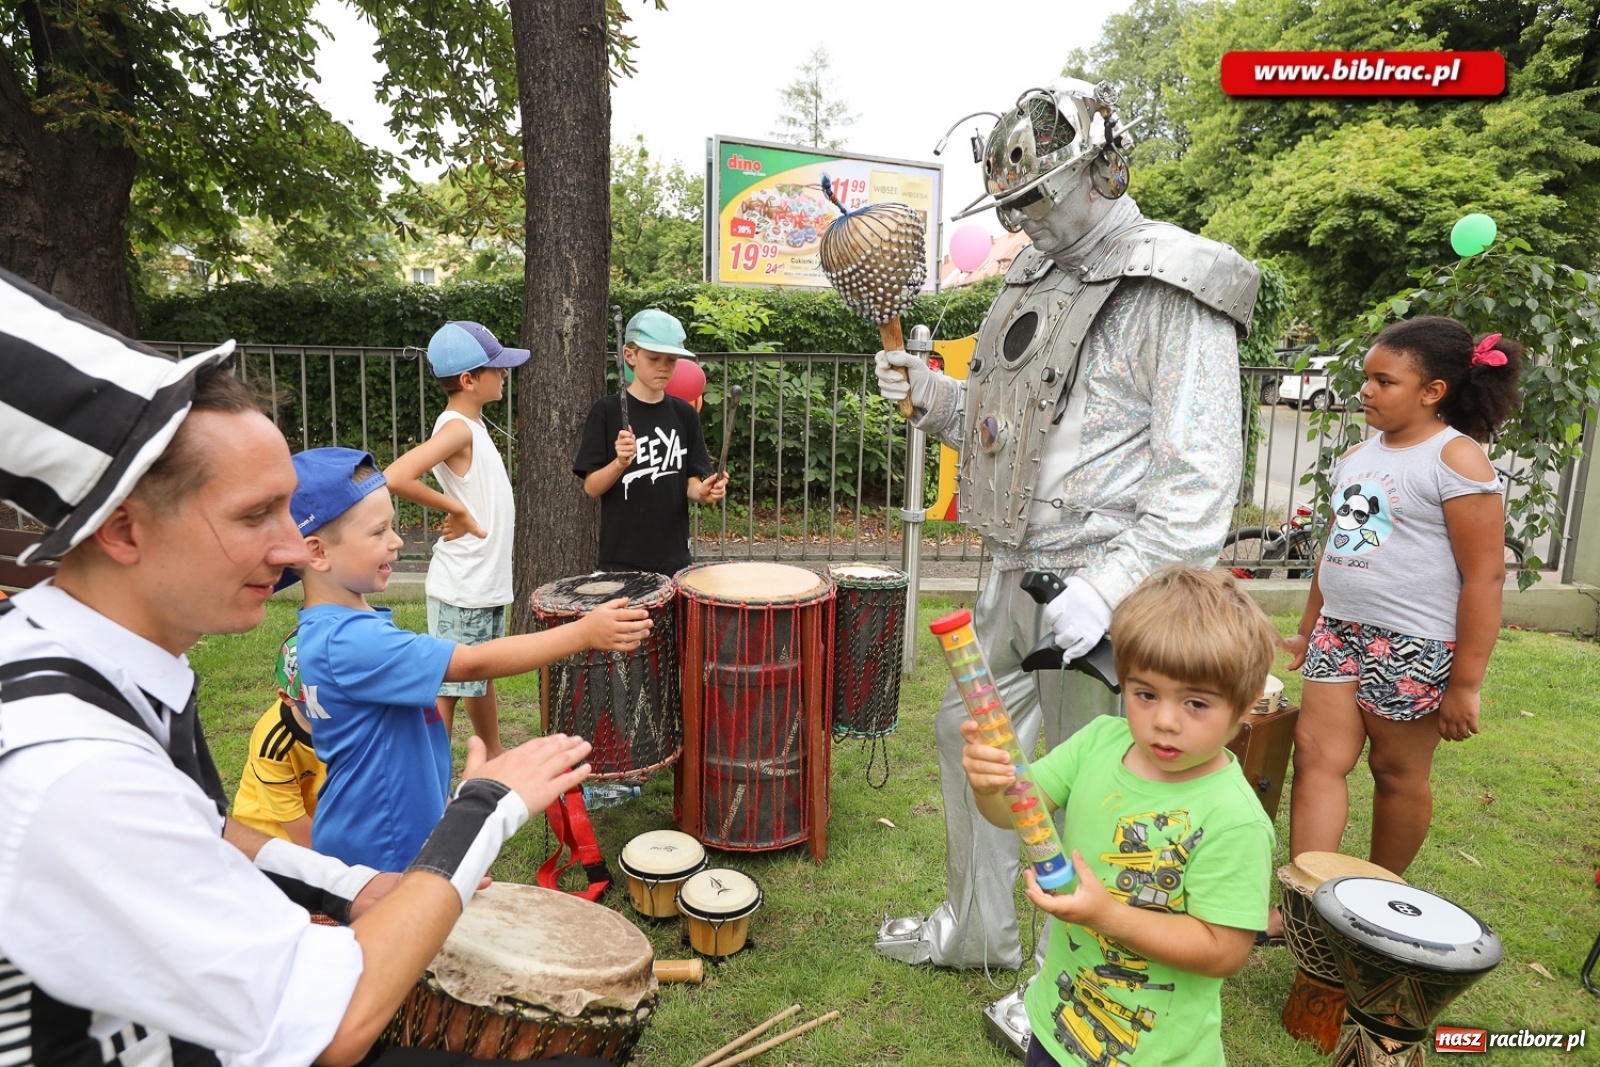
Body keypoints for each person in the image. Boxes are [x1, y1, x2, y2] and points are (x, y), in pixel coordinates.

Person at [0, 266, 619, 1066]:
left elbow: (201, 831)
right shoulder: (69, 771)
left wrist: (347, 885)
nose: (296, 549)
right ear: (122, 531)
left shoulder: (94, 664)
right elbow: (331, 1019)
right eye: (255, 514)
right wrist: (485, 806)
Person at [872, 78, 1259, 1051]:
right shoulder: (1029, 276)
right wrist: (931, 394)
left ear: (1104, 169)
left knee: (1098, 792)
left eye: (1033, 195)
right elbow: (999, 423)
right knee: (973, 746)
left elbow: (1198, 478)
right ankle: (976, 928)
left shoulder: (1178, 280)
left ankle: (1062, 978)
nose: (1016, 218)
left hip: (1100, 590)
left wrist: (1110, 591)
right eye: (1007, 202)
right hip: (1008, 567)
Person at [960, 566, 1276, 1067]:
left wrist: (1108, 917)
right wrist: (989, 786)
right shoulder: (1098, 743)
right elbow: (1016, 812)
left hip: (1157, 1055)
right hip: (1056, 1024)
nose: (1165, 721)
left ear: (1246, 703)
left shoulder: (1234, 818)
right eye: (1145, 694)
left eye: (1196, 703)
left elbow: (1224, 950)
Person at [291, 446, 651, 871]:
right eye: (378, 532)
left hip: (384, 826)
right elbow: (474, 663)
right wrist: (584, 632)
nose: (397, 540)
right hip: (382, 848)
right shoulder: (350, 641)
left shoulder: (336, 627)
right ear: (317, 553)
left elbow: (387, 742)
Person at [1279, 316, 1520, 897]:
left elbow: (1484, 577)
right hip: (1341, 631)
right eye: (1367, 378)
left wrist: (1465, 684)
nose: (1366, 390)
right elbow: (1337, 547)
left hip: (1415, 641)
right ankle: (1311, 900)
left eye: (1383, 381)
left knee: (1396, 773)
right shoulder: (1359, 456)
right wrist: (1310, 627)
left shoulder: (1455, 459)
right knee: (1316, 760)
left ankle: (1375, 903)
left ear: (1432, 391)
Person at [384, 320, 529, 759]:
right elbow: (395, 476)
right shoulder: (458, 429)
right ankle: (428, 783)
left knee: (477, 673)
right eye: (496, 368)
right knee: (447, 686)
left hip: (479, 581)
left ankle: (495, 754)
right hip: (463, 585)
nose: (504, 374)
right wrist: (457, 510)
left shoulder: (471, 425)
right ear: (468, 380)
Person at [573, 308, 727, 576]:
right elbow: (592, 487)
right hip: (621, 560)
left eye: (671, 360)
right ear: (629, 356)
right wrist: (619, 463)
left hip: (674, 558)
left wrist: (704, 492)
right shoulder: (607, 411)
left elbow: (690, 484)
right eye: (654, 358)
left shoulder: (685, 414)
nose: (664, 367)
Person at [229, 628, 326, 846]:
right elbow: (299, 832)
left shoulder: (356, 720)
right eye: (321, 706)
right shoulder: (273, 746)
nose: (338, 714)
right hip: (273, 836)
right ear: (287, 698)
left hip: (323, 818)